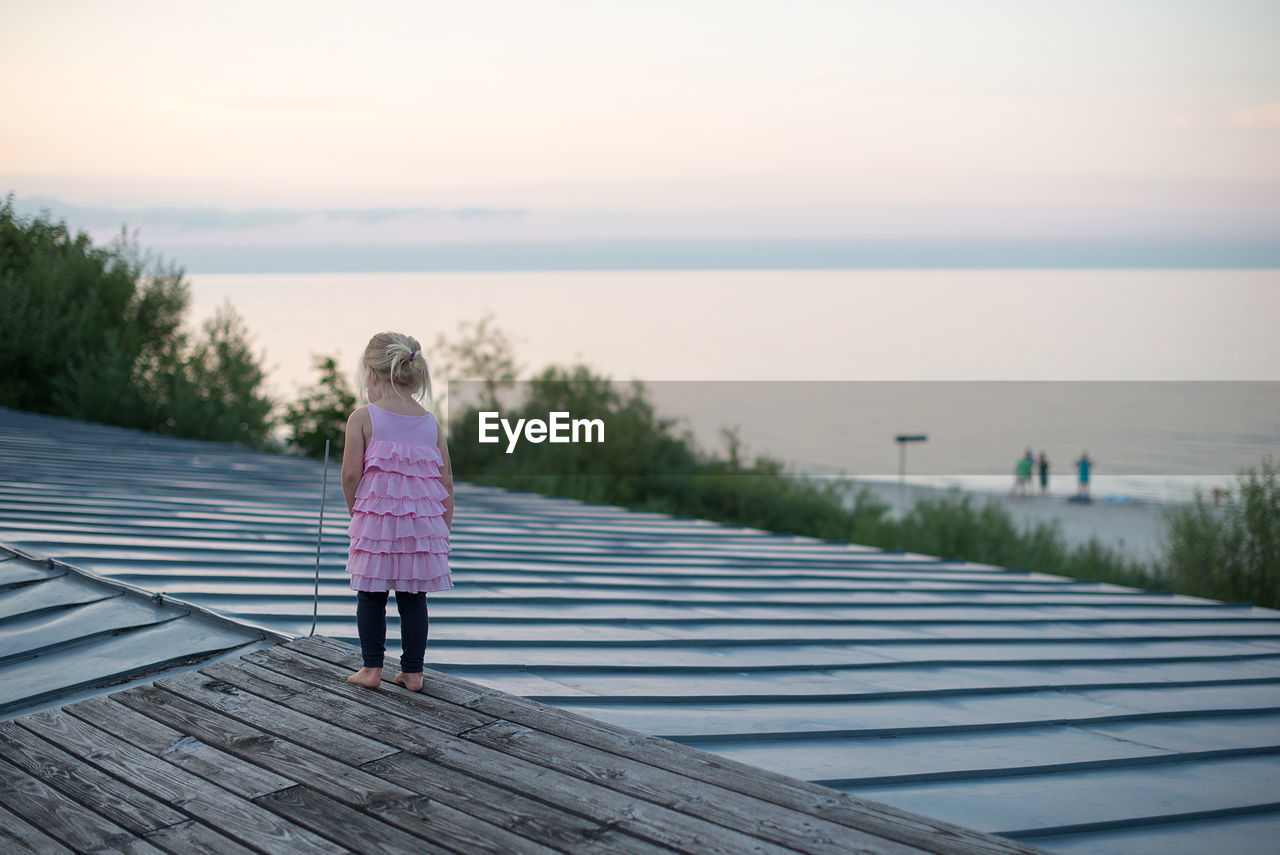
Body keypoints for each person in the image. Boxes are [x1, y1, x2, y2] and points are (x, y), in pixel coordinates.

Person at [341, 331, 453, 692]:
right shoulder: (431, 423)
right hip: (421, 527)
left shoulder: (362, 417)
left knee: (370, 596)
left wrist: (355, 513)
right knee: (413, 598)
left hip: (376, 523)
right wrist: (442, 528)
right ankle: (413, 672)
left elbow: (350, 474)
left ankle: (371, 668)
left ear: (372, 375)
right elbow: (446, 481)